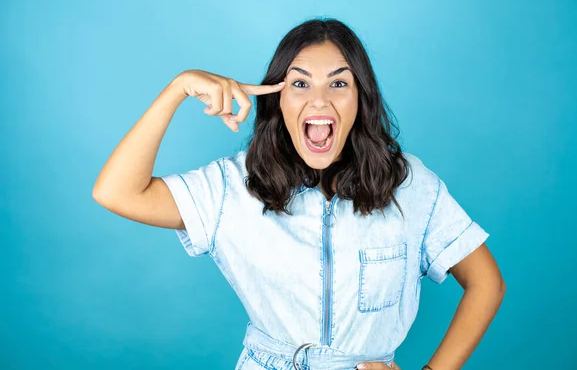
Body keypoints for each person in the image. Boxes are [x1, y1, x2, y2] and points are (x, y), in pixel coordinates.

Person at [92, 18, 505, 370]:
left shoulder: (409, 183)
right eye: (300, 83)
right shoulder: (232, 186)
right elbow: (117, 192)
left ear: (361, 98)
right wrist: (178, 88)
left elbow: (486, 282)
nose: (319, 99)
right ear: (277, 98)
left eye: (339, 83)